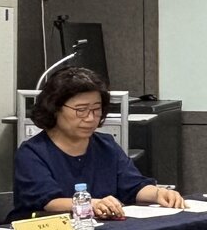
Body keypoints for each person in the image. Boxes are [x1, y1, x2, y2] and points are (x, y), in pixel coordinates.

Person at [11, 67, 185, 220]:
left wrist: (159, 194)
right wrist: (92, 204)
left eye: (96, 109)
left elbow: (133, 185)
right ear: (54, 108)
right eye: (81, 110)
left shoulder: (106, 145)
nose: (90, 118)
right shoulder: (32, 153)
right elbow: (48, 202)